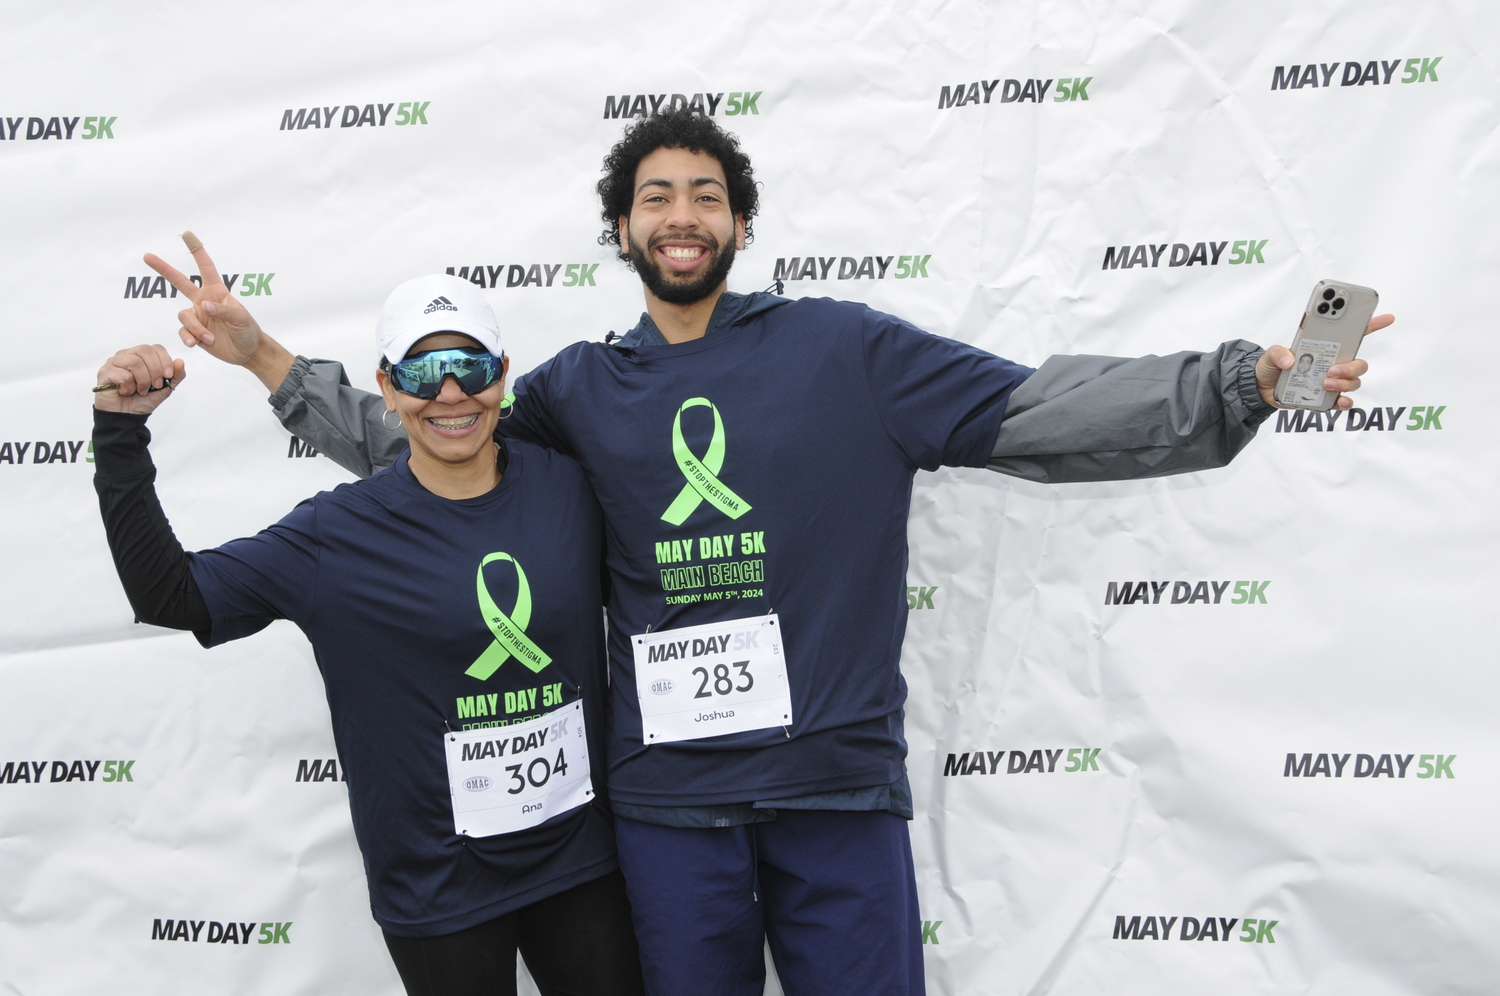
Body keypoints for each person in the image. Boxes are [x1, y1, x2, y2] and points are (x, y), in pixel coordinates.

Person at [149, 109, 1394, 996]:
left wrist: (1251, 380)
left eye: (705, 195)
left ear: (739, 222)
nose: (681, 216)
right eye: (655, 197)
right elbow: (432, 440)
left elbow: (1039, 411)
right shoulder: (578, 390)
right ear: (622, 232)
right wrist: (269, 360)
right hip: (668, 808)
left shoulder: (848, 350)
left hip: (833, 786)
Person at [91, 274, 643, 996]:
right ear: (388, 387)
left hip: (580, 864)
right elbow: (170, 595)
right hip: (439, 887)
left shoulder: (571, 487)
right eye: (421, 372)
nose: (450, 393)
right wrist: (119, 431)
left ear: (503, 378)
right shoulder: (336, 536)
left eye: (471, 368)